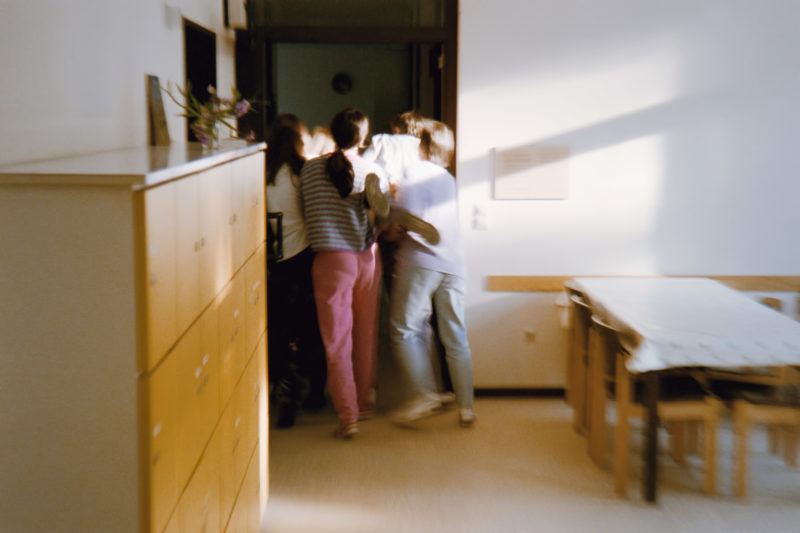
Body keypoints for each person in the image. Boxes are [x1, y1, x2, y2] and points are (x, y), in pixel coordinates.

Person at [299, 108, 390, 438]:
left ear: (333, 132)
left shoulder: (309, 172)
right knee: (366, 333)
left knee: (337, 340)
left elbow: (305, 211)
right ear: (363, 136)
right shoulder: (372, 170)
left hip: (330, 261)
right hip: (367, 259)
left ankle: (348, 416)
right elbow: (381, 217)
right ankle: (363, 404)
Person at [388, 120, 475, 427]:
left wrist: (389, 206)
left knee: (403, 329)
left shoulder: (414, 172)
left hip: (422, 261)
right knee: (455, 335)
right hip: (454, 263)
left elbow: (409, 221)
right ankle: (466, 407)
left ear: (422, 145)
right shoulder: (448, 178)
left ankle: (424, 395)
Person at [265, 113, 327, 428]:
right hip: (303, 259)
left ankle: (284, 394)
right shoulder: (302, 172)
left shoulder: (262, 174)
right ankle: (315, 391)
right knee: (310, 328)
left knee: (279, 331)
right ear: (296, 142)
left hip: (273, 263)